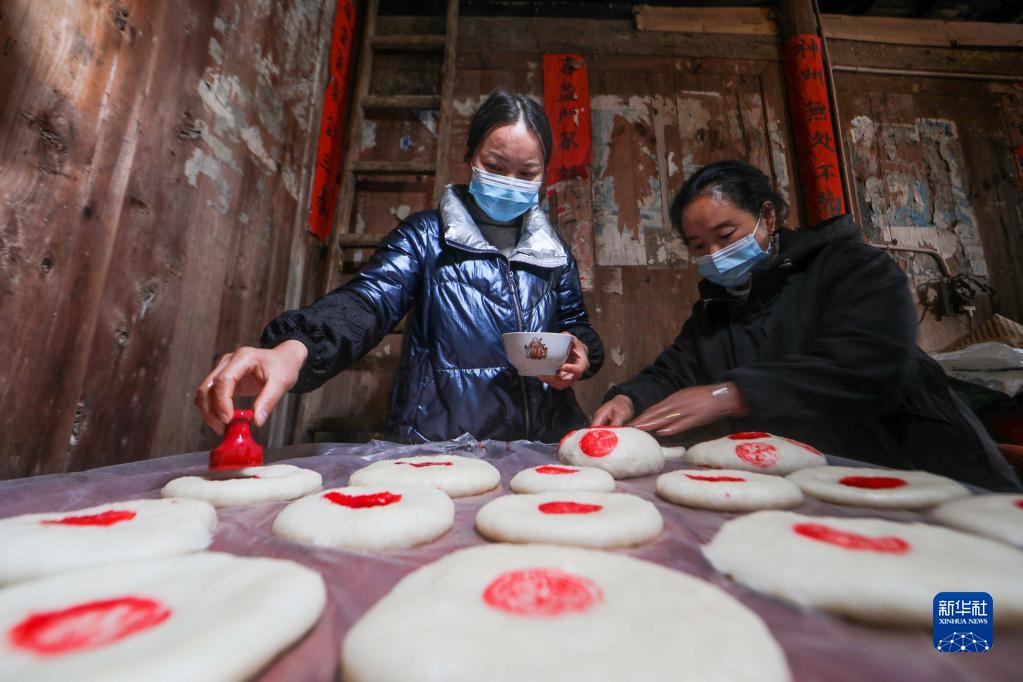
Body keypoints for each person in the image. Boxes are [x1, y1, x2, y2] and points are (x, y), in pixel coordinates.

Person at [195, 89, 604, 443]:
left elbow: (576, 323)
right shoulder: (425, 236)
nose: (509, 181)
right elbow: (367, 303)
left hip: (544, 448)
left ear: (543, 175)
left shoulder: (553, 251)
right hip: (442, 451)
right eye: (495, 167)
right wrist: (295, 348)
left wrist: (580, 352)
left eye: (526, 173)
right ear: (471, 159)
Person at [592, 159, 1020, 491]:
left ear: (768, 216)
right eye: (699, 246)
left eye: (727, 234)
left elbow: (872, 360)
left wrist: (732, 394)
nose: (715, 253)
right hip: (823, 485)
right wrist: (628, 398)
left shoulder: (851, 267)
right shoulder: (716, 308)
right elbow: (676, 369)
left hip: (919, 464)